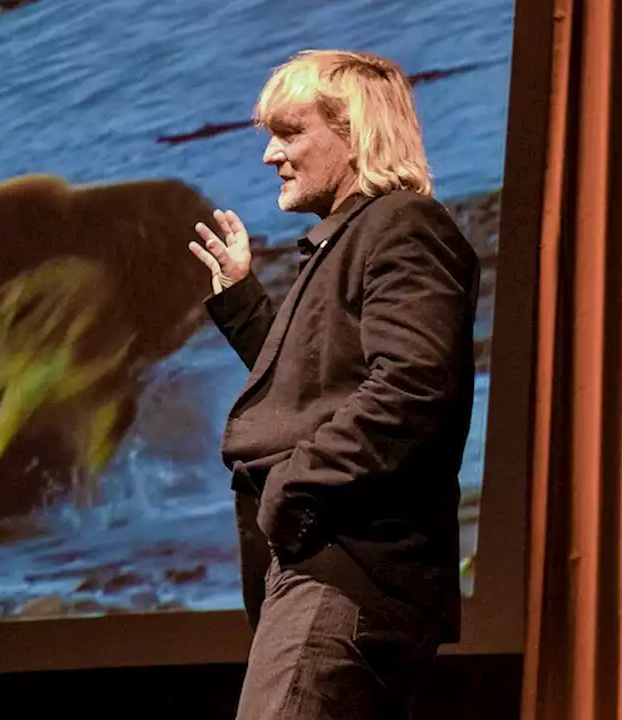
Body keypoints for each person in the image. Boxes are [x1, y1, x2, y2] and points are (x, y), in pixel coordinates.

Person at [187, 49, 481, 719]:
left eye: (289, 133)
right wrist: (240, 299)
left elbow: (411, 387)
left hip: (345, 568)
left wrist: (295, 487)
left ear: (354, 134)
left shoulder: (402, 226)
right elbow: (307, 389)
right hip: (323, 568)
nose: (270, 156)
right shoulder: (352, 240)